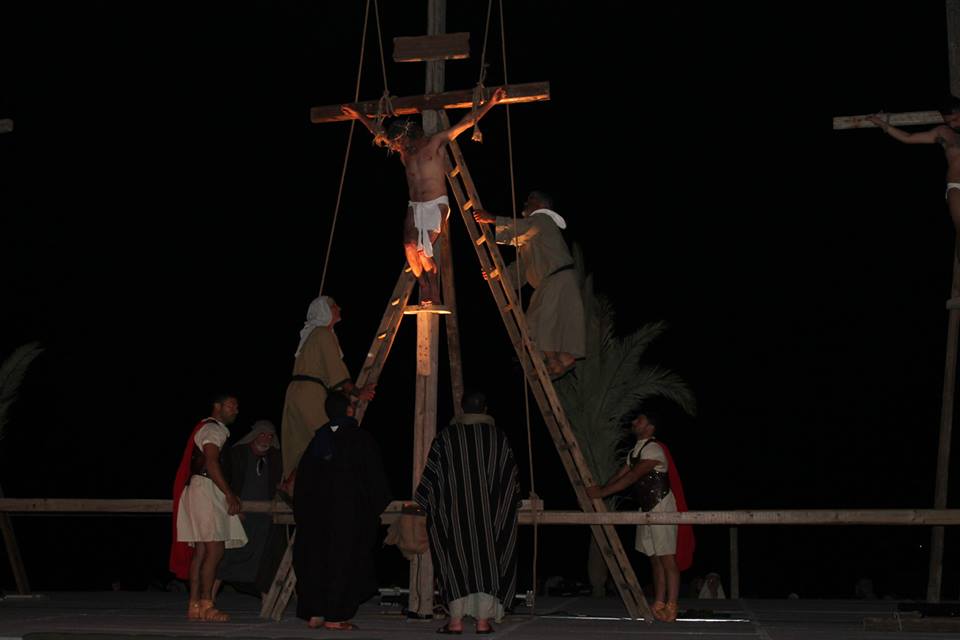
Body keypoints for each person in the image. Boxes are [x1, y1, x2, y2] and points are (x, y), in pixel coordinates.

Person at [342, 88, 506, 304]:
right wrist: (359, 115)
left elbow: (466, 122)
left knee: (422, 248)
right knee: (409, 245)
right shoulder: (404, 152)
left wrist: (491, 103)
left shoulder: (434, 143)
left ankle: (434, 286)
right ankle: (424, 284)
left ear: (408, 136)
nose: (397, 147)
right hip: (415, 205)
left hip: (437, 203)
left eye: (399, 143)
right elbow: (378, 132)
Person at [414, 391, 521, 634]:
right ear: (485, 409)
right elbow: (510, 481)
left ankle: (455, 623)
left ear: (462, 409)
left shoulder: (446, 438)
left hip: (453, 520)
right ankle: (483, 623)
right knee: (488, 563)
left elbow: (430, 479)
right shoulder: (498, 438)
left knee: (454, 563)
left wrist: (422, 502)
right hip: (490, 521)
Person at [293, 392, 391, 631]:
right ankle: (335, 616)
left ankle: (315, 613)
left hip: (315, 517)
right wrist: (374, 509)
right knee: (343, 562)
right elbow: (375, 481)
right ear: (349, 410)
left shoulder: (318, 440)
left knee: (314, 560)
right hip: (347, 516)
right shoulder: (360, 439)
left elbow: (303, 482)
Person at [586, 408, 693, 623]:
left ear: (650, 427)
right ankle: (659, 602)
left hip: (662, 508)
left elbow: (633, 477)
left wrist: (601, 493)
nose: (635, 422)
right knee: (654, 560)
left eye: (640, 420)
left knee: (667, 560)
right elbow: (621, 473)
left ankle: (672, 605)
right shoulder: (636, 450)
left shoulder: (653, 449)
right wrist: (601, 488)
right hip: (646, 510)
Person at [473, 191, 586, 379]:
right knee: (544, 322)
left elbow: (524, 228)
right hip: (554, 281)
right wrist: (498, 274)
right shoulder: (533, 237)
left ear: (543, 205)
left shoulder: (542, 220)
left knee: (539, 319)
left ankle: (554, 362)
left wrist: (493, 219)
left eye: (531, 198)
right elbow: (522, 268)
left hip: (557, 279)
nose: (526, 202)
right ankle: (562, 359)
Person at [280, 295, 375, 490]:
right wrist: (358, 392)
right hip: (310, 394)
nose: (339, 308)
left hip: (296, 393)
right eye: (334, 306)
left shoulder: (313, 336)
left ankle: (291, 482)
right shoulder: (323, 334)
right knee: (328, 435)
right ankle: (296, 483)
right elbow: (335, 372)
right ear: (325, 311)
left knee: (303, 440)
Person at [170, 393, 247, 622]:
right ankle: (207, 604)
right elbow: (211, 462)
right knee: (214, 550)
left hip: (198, 489)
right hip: (206, 489)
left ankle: (195, 605)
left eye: (236, 406)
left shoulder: (206, 428)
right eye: (231, 405)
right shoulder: (214, 429)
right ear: (217, 406)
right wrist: (230, 494)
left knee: (202, 550)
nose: (236, 410)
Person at [213, 419, 285, 598]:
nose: (266, 439)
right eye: (262, 434)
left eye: (270, 435)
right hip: (238, 513)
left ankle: (265, 599)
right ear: (254, 435)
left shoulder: (276, 458)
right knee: (227, 556)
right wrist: (233, 505)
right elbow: (224, 481)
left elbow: (281, 484)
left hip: (265, 517)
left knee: (263, 558)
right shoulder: (237, 454)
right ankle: (210, 596)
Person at [868, 111, 960, 240]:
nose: (952, 123)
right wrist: (882, 123)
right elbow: (908, 137)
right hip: (956, 185)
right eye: (948, 120)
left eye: (955, 118)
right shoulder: (943, 131)